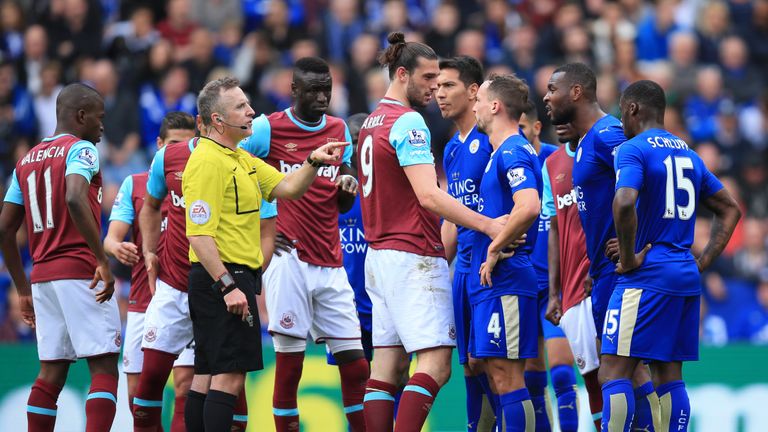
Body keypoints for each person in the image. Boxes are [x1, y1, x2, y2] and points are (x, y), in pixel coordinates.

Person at [182, 76, 347, 432]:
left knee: (207, 375)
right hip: (222, 279)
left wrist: (314, 161)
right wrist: (228, 285)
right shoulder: (208, 161)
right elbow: (198, 234)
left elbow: (288, 188)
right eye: (241, 107)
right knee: (228, 379)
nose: (251, 111)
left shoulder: (240, 158)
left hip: (227, 279)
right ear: (217, 121)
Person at [358, 32, 504, 432]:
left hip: (379, 257)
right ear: (402, 74)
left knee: (386, 368)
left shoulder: (371, 121)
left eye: (440, 80)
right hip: (412, 255)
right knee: (436, 365)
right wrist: (489, 223)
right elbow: (429, 196)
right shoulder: (409, 122)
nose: (434, 88)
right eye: (427, 79)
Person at [602, 80, 741, 431]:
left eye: (622, 113)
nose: (621, 122)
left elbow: (623, 201)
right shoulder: (689, 154)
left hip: (647, 276)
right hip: (684, 274)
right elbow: (729, 209)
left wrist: (631, 255)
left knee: (614, 369)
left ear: (633, 109)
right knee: (669, 373)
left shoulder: (632, 149)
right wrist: (703, 261)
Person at [239, 56, 368, 432]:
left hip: (330, 257)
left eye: (326, 89)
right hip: (288, 257)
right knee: (291, 366)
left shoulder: (338, 127)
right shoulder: (267, 129)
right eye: (313, 90)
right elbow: (232, 169)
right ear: (293, 90)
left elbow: (340, 197)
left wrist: (347, 184)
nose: (322, 97)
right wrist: (258, 228)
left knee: (357, 365)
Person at [543, 62, 659, 430]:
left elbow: (651, 178)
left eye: (552, 89)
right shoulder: (588, 142)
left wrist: (640, 247)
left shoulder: (608, 133)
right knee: (625, 369)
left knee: (619, 369)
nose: (546, 96)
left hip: (623, 270)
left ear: (576, 92)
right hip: (603, 273)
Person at [0, 83, 121, 432]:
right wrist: (101, 259)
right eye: (99, 118)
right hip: (81, 271)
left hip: (41, 277)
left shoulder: (25, 161)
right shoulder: (81, 150)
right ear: (81, 116)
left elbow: (5, 229)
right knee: (103, 367)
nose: (101, 126)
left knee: (51, 371)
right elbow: (73, 196)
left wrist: (22, 288)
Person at [133, 113, 248, 430]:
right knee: (150, 381)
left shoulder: (240, 161)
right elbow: (151, 206)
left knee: (220, 385)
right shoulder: (166, 161)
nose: (182, 146)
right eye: (174, 141)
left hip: (217, 288)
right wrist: (149, 251)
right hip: (172, 286)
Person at [103, 111, 198, 430]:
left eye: (187, 146)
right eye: (173, 144)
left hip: (184, 297)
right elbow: (111, 238)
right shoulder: (136, 185)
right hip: (144, 300)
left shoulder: (202, 181)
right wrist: (117, 247)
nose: (179, 153)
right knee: (138, 397)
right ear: (159, 144)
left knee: (185, 385)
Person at [471, 74, 542, 430]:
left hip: (510, 277)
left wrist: (496, 247)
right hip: (499, 281)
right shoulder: (501, 152)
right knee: (496, 373)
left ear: (495, 105)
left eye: (479, 100)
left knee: (509, 377)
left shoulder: (512, 149)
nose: (475, 107)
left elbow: (528, 205)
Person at [436, 55, 497, 431]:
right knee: (471, 364)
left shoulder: (493, 139)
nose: (438, 94)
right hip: (463, 267)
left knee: (498, 365)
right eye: (437, 86)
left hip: (491, 266)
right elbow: (452, 217)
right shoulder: (451, 148)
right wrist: (436, 266)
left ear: (473, 91)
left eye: (448, 86)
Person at [519, 102, 580, 432]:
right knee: (531, 379)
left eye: (523, 129)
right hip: (523, 280)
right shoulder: (504, 161)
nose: (518, 135)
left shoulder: (559, 161)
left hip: (558, 282)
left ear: (537, 128)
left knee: (560, 370)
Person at [544, 123, 604, 430]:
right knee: (591, 376)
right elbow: (554, 229)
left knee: (621, 371)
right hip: (571, 289)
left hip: (604, 280)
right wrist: (555, 293)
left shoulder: (603, 148)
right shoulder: (551, 164)